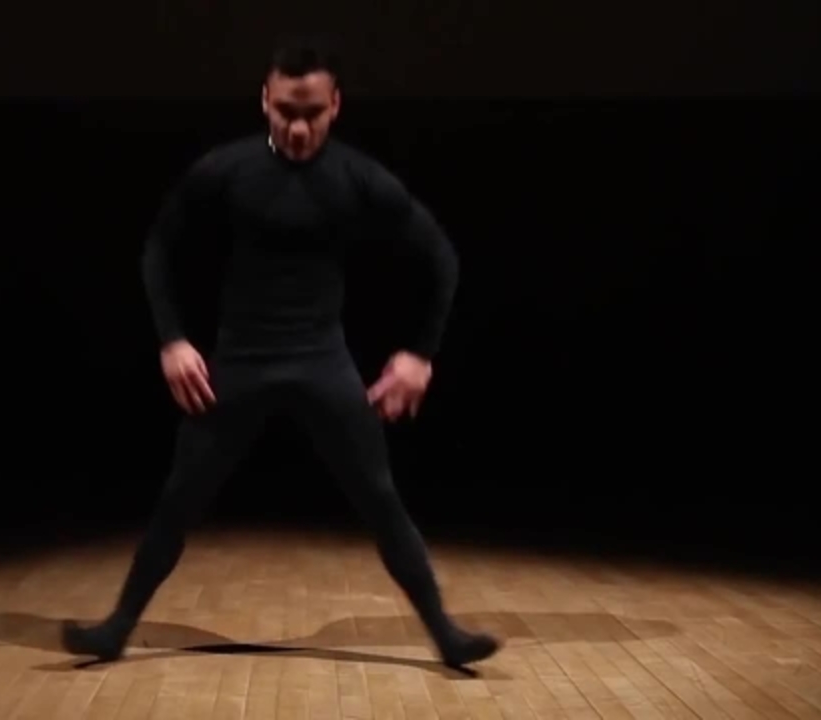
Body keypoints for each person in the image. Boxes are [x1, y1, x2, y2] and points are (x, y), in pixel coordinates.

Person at [63, 36, 499, 669]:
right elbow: (159, 247)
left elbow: (441, 257)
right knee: (179, 500)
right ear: (264, 100)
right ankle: (115, 630)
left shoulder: (356, 177)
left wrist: (420, 355)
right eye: (285, 112)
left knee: (381, 501)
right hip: (239, 366)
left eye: (313, 113)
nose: (298, 128)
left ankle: (446, 636)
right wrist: (172, 340)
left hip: (323, 363)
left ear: (336, 105)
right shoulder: (227, 169)